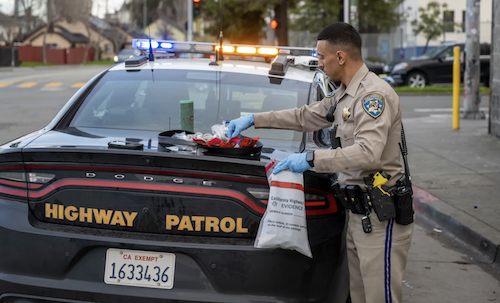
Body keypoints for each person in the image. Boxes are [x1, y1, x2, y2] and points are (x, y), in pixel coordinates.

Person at [226, 22, 414, 303]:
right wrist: (254, 119)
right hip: (359, 214)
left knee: (380, 297)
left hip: (380, 216)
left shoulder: (373, 96)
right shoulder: (344, 93)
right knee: (361, 297)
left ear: (340, 57)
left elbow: (367, 153)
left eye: (322, 57)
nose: (319, 63)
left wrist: (310, 158)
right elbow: (304, 116)